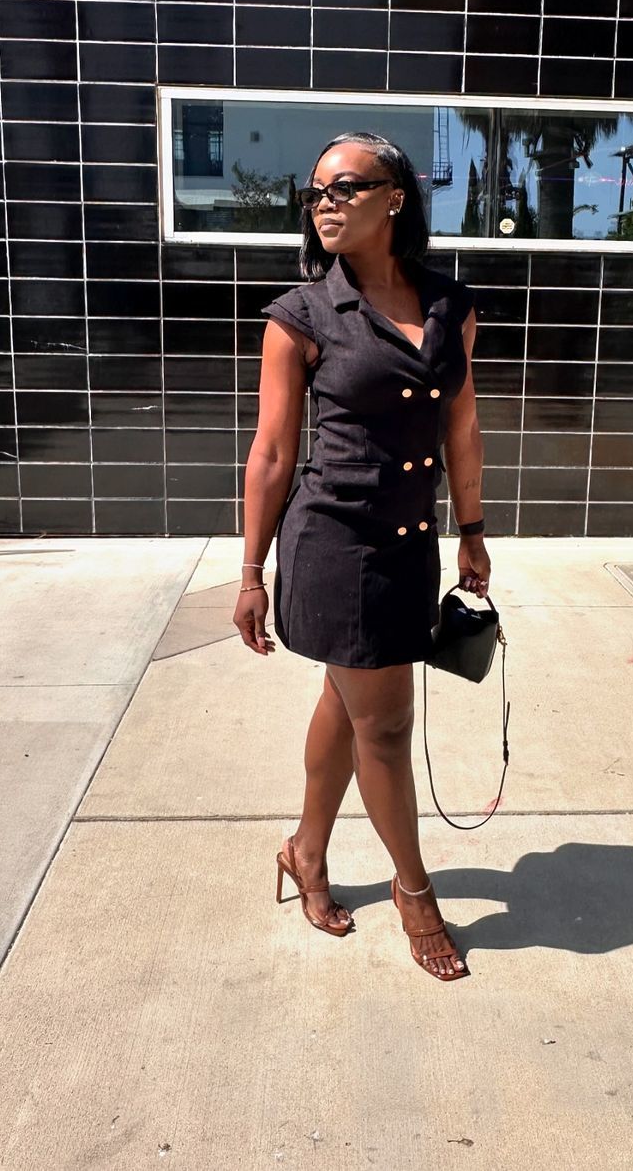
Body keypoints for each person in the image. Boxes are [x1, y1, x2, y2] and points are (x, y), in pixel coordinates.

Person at [234, 131, 491, 981]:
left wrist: (472, 530)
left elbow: (461, 427)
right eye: (315, 193)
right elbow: (273, 453)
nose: (326, 204)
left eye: (345, 187)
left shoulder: (452, 306)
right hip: (336, 544)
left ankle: (305, 852)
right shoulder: (301, 317)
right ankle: (416, 894)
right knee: (384, 723)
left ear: (396, 196)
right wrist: (250, 573)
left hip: (412, 544)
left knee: (348, 705)